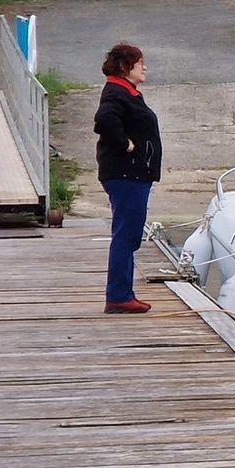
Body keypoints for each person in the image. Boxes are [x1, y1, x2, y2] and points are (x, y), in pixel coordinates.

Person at [94, 43, 161, 314]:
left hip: (132, 175)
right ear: (125, 67)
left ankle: (122, 292)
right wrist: (127, 145)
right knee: (126, 234)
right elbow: (104, 120)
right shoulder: (116, 93)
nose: (144, 67)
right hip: (126, 175)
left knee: (128, 234)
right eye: (139, 62)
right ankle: (119, 295)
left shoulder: (125, 92)